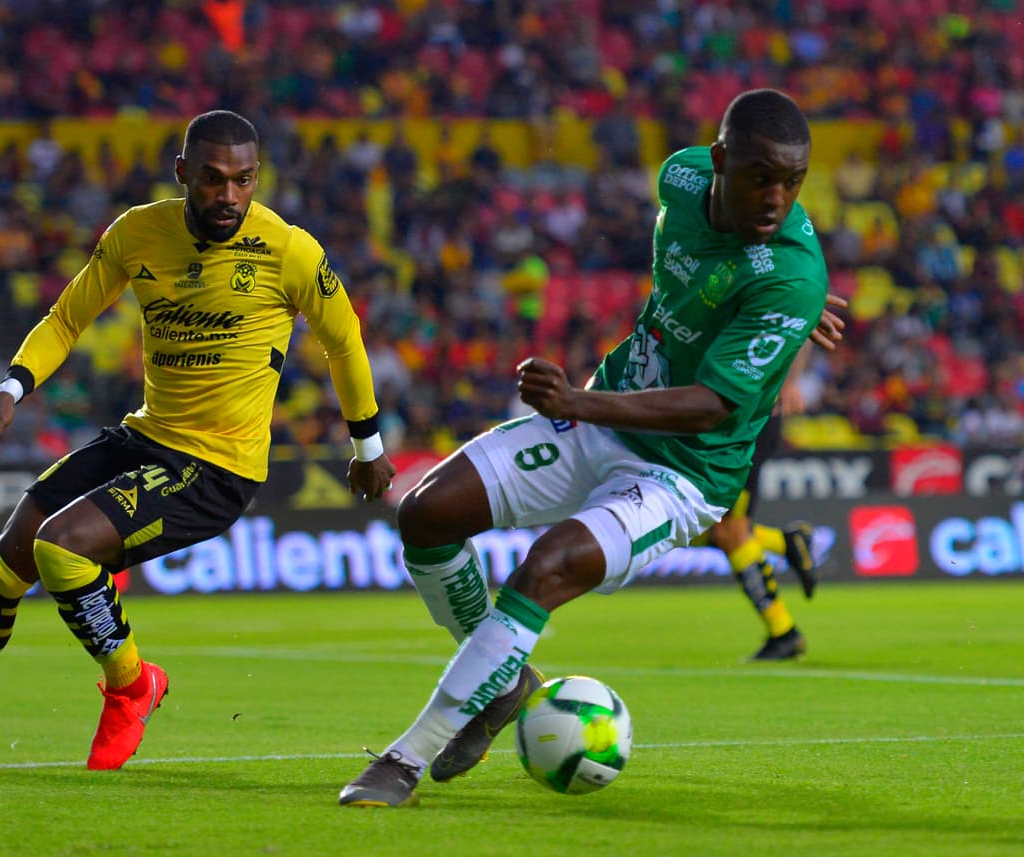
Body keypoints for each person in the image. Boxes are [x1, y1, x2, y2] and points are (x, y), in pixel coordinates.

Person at [0, 110, 396, 770]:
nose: (229, 196)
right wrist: (12, 388)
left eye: (244, 180)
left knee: (63, 550)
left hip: (218, 464)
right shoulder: (138, 232)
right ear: (183, 173)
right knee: (4, 559)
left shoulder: (288, 250)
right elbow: (67, 316)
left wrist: (368, 450)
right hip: (145, 437)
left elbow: (345, 342)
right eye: (214, 179)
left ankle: (133, 685)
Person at [339, 89, 830, 807]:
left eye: (793, 182)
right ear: (720, 160)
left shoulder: (788, 274)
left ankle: (405, 758)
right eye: (761, 176)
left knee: (548, 565)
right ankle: (502, 683)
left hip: (683, 473)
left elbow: (713, 406)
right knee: (425, 514)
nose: (776, 197)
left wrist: (577, 400)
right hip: (604, 418)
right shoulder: (683, 177)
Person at [699, 340, 821, 662]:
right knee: (701, 526)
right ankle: (787, 542)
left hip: (748, 420)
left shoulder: (754, 290)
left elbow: (803, 325)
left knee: (729, 533)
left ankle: (784, 632)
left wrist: (790, 380)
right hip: (720, 417)